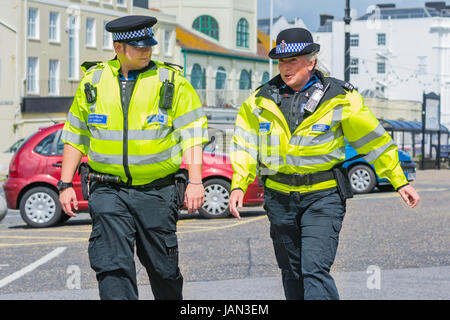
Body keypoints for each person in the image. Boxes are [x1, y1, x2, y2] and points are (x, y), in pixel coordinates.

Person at [228, 28, 420, 300]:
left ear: (311, 62)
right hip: (279, 198)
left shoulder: (340, 98)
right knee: (291, 271)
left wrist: (399, 180)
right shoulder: (260, 100)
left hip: (323, 197)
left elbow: (373, 141)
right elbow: (245, 145)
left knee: (314, 270)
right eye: (282, 61)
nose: (285, 67)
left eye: (293, 60)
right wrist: (239, 184)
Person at [58, 15, 208, 300]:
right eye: (139, 46)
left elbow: (193, 134)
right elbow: (75, 135)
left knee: (163, 270)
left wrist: (196, 181)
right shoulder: (94, 81)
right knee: (112, 266)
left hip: (157, 191)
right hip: (108, 189)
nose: (147, 50)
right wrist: (65, 184)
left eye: (149, 44)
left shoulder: (172, 82)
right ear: (118, 48)